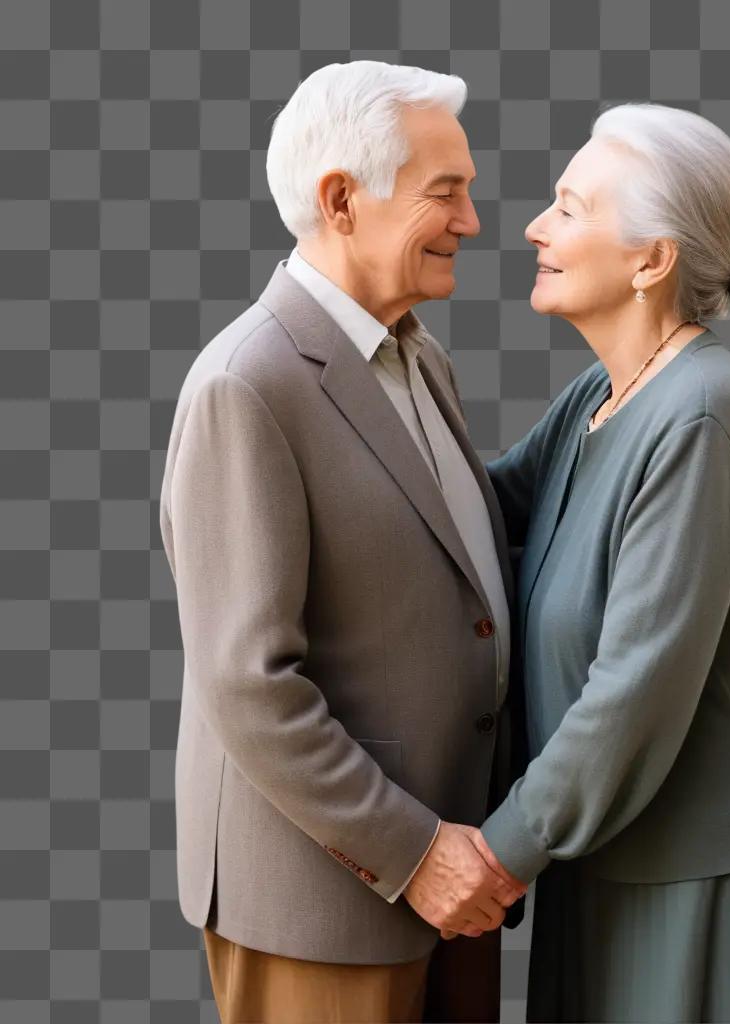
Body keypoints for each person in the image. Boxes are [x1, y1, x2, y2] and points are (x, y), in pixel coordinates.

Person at [158, 61, 528, 1024]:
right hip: (325, 905)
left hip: (451, 881)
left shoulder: (416, 353)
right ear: (340, 200)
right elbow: (251, 684)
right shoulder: (245, 385)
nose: (472, 222)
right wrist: (414, 853)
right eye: (445, 194)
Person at [472, 103, 730, 1022]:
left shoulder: (705, 416)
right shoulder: (601, 392)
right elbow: (464, 516)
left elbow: (633, 690)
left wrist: (494, 856)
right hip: (606, 860)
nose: (535, 227)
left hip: (704, 880)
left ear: (650, 260)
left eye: (570, 206)